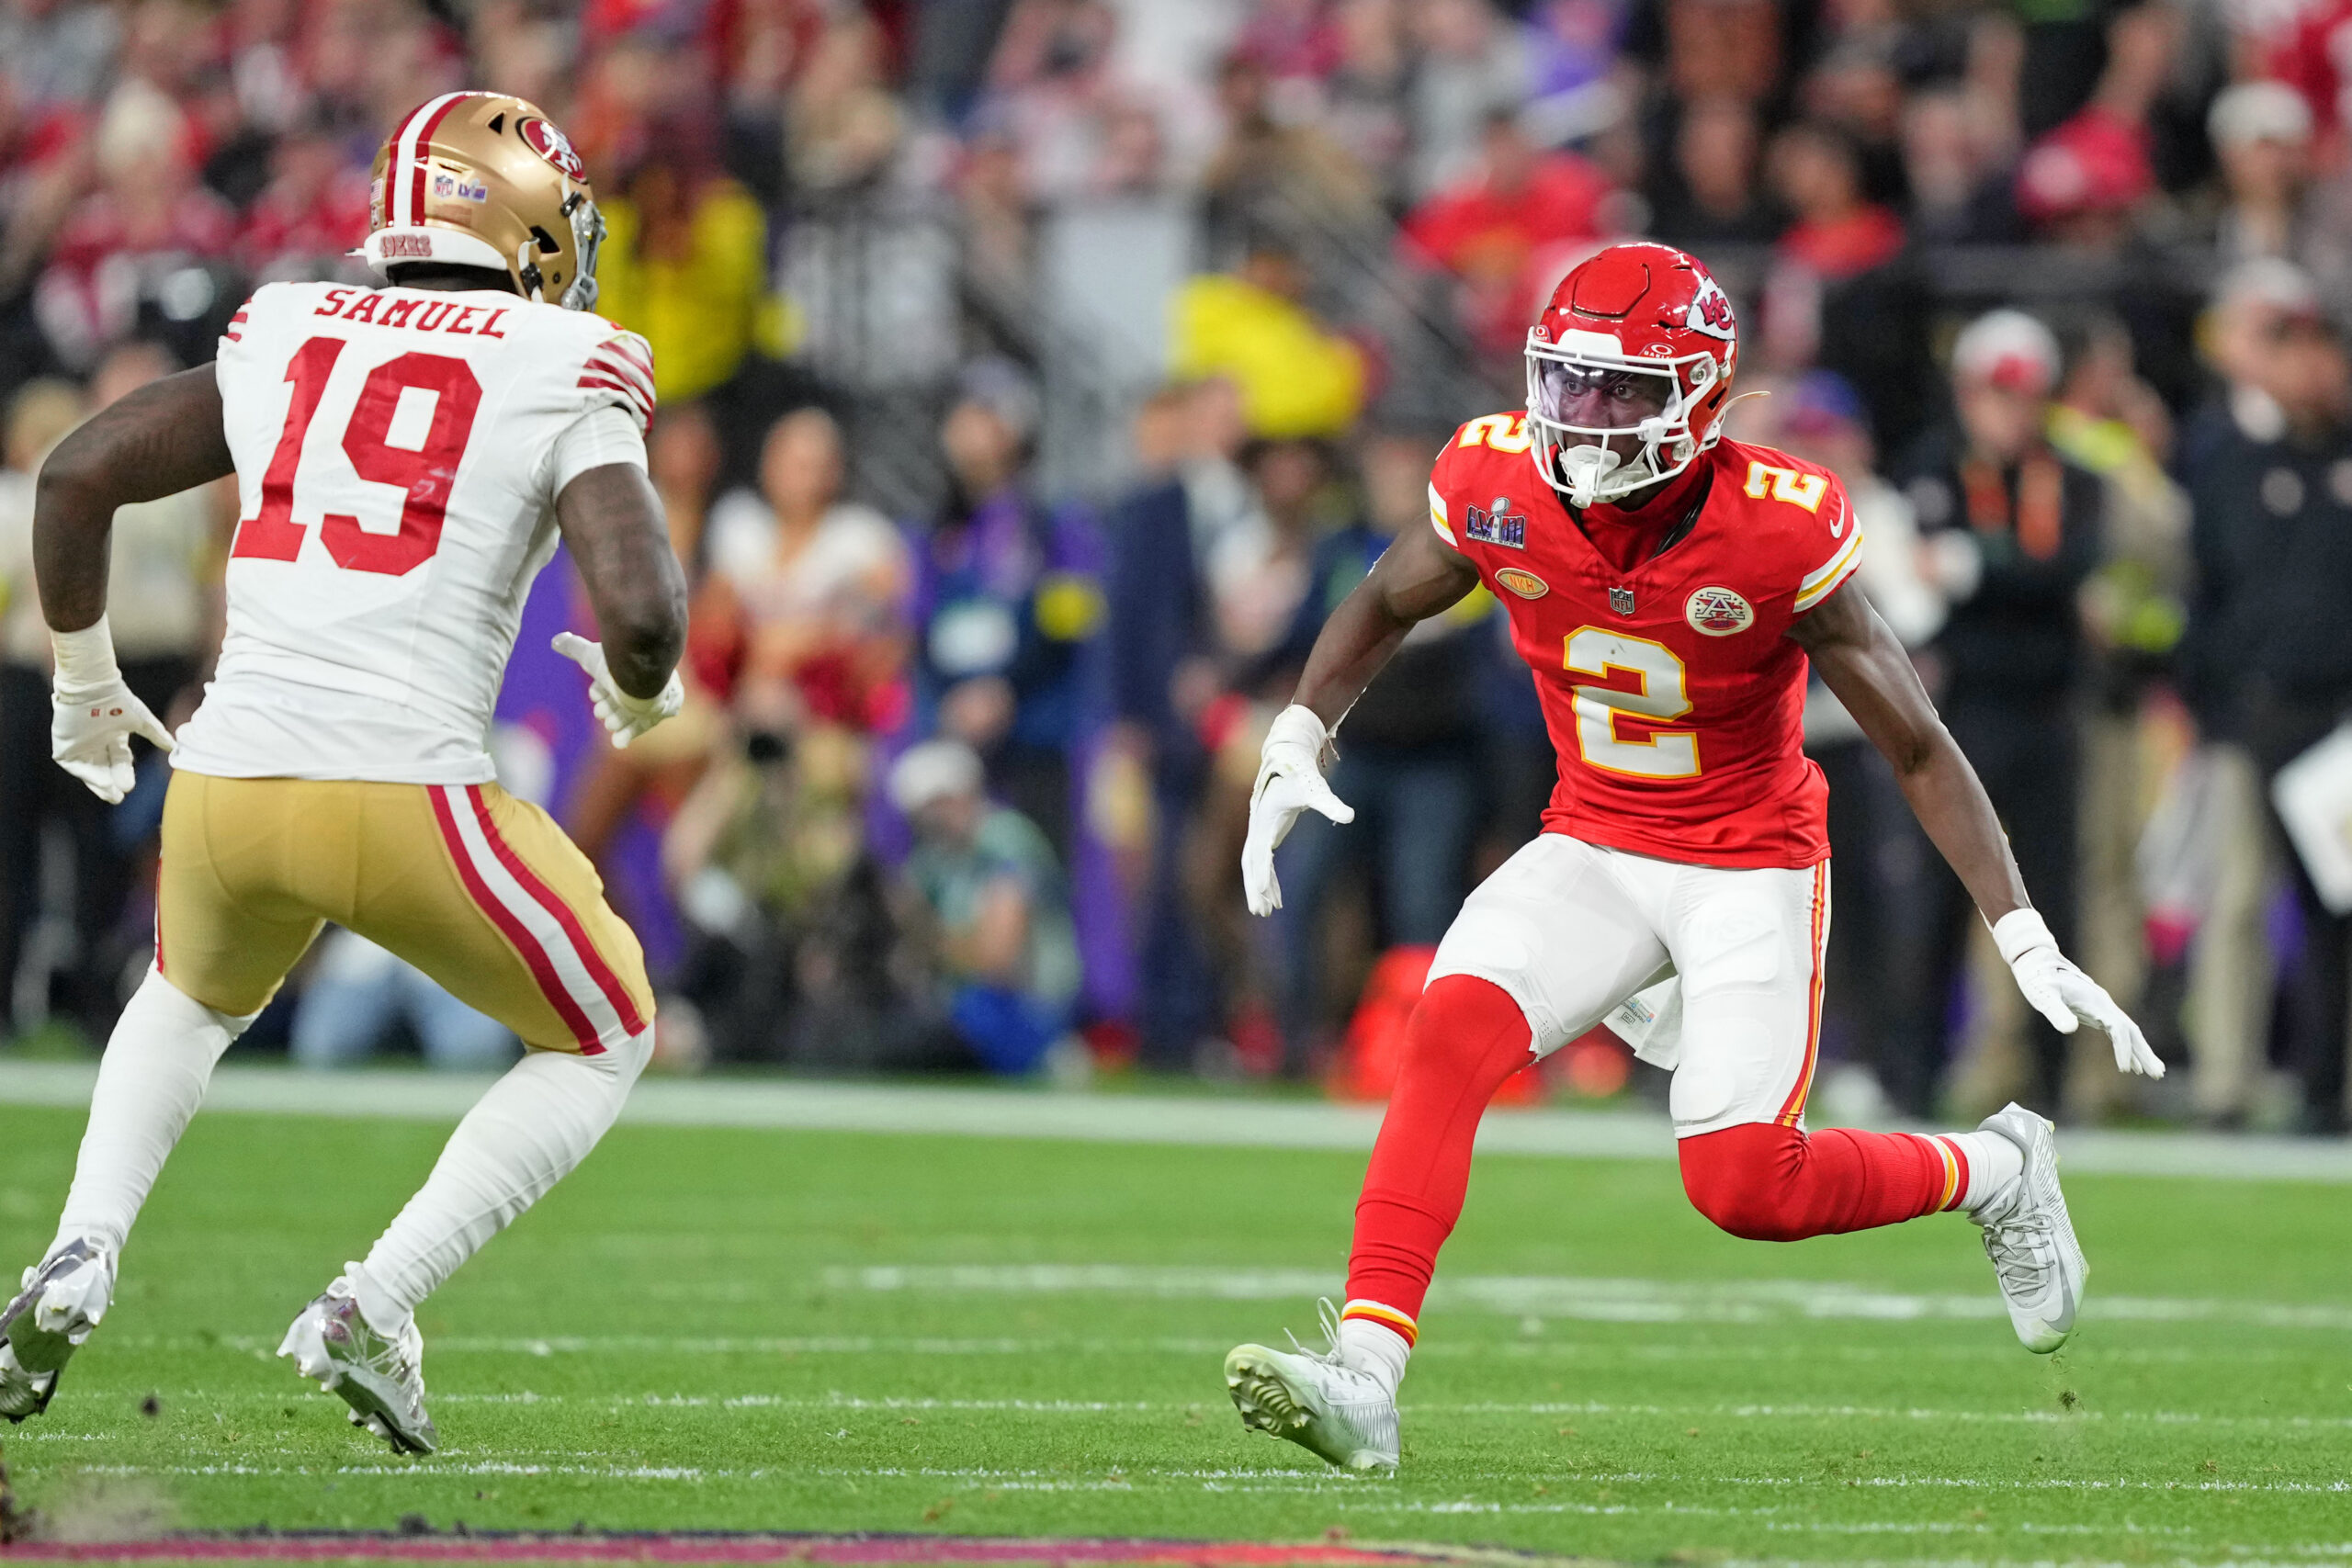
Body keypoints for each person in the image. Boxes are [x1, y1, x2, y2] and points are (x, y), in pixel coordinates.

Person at [1217, 243, 2159, 1473]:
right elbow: (1391, 597)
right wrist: (1300, 730)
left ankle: (1992, 1164)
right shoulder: (1498, 475)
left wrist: (2022, 927)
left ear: (1701, 398)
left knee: (1742, 1184)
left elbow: (1918, 743)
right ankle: (1366, 1377)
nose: (1583, 418)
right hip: (1595, 839)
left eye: (1619, 392)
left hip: (1746, 861)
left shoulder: (1777, 527)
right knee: (1443, 1033)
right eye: (1567, 381)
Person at [0, 94, 687, 1457]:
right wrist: (648, 681)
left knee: (186, 997)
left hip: (225, 786)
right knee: (608, 1029)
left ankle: (78, 1246)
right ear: (517, 211)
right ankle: (376, 1300)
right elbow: (647, 611)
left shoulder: (286, 322)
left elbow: (74, 474)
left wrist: (84, 681)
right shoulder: (567, 354)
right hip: (403, 792)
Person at [1886, 311, 2106, 1119]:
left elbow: (2065, 568)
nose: (2009, 412)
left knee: (2049, 904)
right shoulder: (1931, 465)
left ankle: (2051, 1088)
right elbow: (1910, 581)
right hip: (1956, 722)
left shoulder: (2074, 477)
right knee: (1936, 904)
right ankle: (1915, 1079)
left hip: (2047, 716)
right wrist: (2008, 574)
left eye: (2023, 396)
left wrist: (1977, 567)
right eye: (1995, 394)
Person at [890, 738, 1082, 1077]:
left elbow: (998, 957)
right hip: (965, 1001)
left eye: (942, 803)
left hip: (1021, 1008)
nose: (935, 818)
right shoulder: (936, 858)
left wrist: (931, 941)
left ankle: (1050, 1054)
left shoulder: (1005, 842)